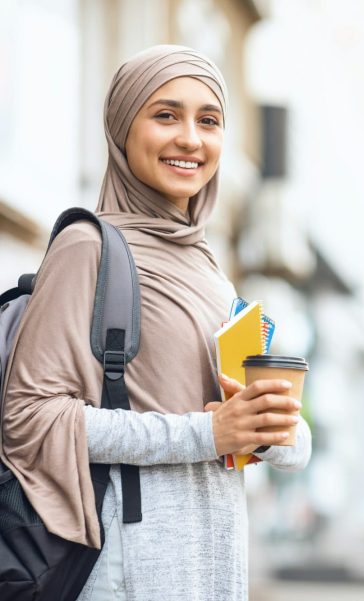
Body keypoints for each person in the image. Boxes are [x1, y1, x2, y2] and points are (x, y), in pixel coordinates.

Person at [0, 45, 311, 601]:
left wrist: (272, 429)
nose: (190, 138)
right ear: (123, 129)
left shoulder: (213, 270)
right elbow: (27, 416)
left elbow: (278, 443)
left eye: (209, 120)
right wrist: (207, 432)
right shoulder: (86, 248)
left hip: (213, 567)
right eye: (165, 115)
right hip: (124, 572)